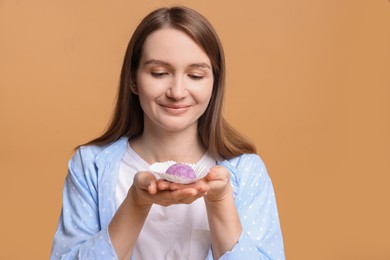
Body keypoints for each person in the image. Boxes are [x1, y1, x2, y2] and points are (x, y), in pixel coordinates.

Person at [51, 6, 285, 260]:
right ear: (133, 80)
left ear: (214, 83)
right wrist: (137, 203)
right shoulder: (91, 166)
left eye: (195, 76)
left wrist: (220, 203)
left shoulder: (245, 170)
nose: (177, 91)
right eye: (159, 73)